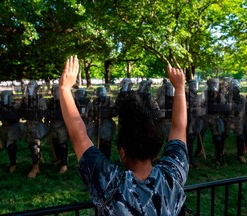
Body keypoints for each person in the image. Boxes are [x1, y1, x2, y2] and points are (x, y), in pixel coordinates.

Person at [59, 56, 189, 215]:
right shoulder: (172, 176)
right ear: (155, 148)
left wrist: (65, 89)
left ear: (122, 151)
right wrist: (180, 88)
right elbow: (179, 128)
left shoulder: (110, 184)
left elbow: (79, 135)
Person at [20, 80, 49, 178]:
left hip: (37, 125)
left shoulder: (40, 99)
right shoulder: (25, 100)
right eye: (29, 87)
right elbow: (21, 110)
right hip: (28, 125)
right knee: (32, 145)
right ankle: (38, 158)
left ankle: (35, 168)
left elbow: (44, 112)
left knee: (34, 146)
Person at [0, 90, 24, 173]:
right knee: (7, 145)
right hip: (4, 127)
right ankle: (13, 161)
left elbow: (17, 115)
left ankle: (13, 164)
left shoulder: (15, 107)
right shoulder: (0, 107)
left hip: (13, 127)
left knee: (10, 145)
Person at [47, 84, 69, 173]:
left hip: (62, 125)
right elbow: (47, 111)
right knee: (55, 142)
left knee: (62, 144)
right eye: (53, 90)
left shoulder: (65, 101)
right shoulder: (51, 102)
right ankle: (59, 159)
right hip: (53, 124)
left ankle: (64, 164)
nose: (55, 92)